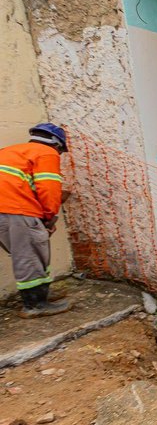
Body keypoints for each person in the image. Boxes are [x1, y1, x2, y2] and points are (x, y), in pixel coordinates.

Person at [0, 124, 73, 318]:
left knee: (26, 252)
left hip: (5, 209)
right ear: (57, 145)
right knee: (30, 254)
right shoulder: (46, 153)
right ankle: (35, 305)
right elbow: (48, 189)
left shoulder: (11, 151)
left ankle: (41, 294)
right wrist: (49, 216)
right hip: (15, 209)